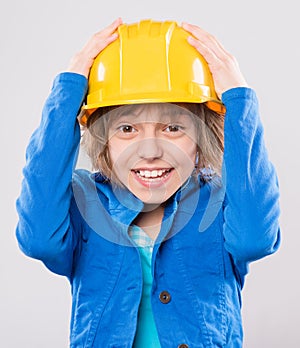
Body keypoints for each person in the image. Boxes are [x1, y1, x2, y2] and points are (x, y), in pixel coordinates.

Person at [15, 18, 281, 347]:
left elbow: (256, 239)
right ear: (103, 140)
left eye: (174, 128)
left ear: (201, 138)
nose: (151, 151)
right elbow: (38, 238)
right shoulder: (86, 207)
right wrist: (68, 91)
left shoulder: (222, 204)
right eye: (127, 129)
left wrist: (239, 99)